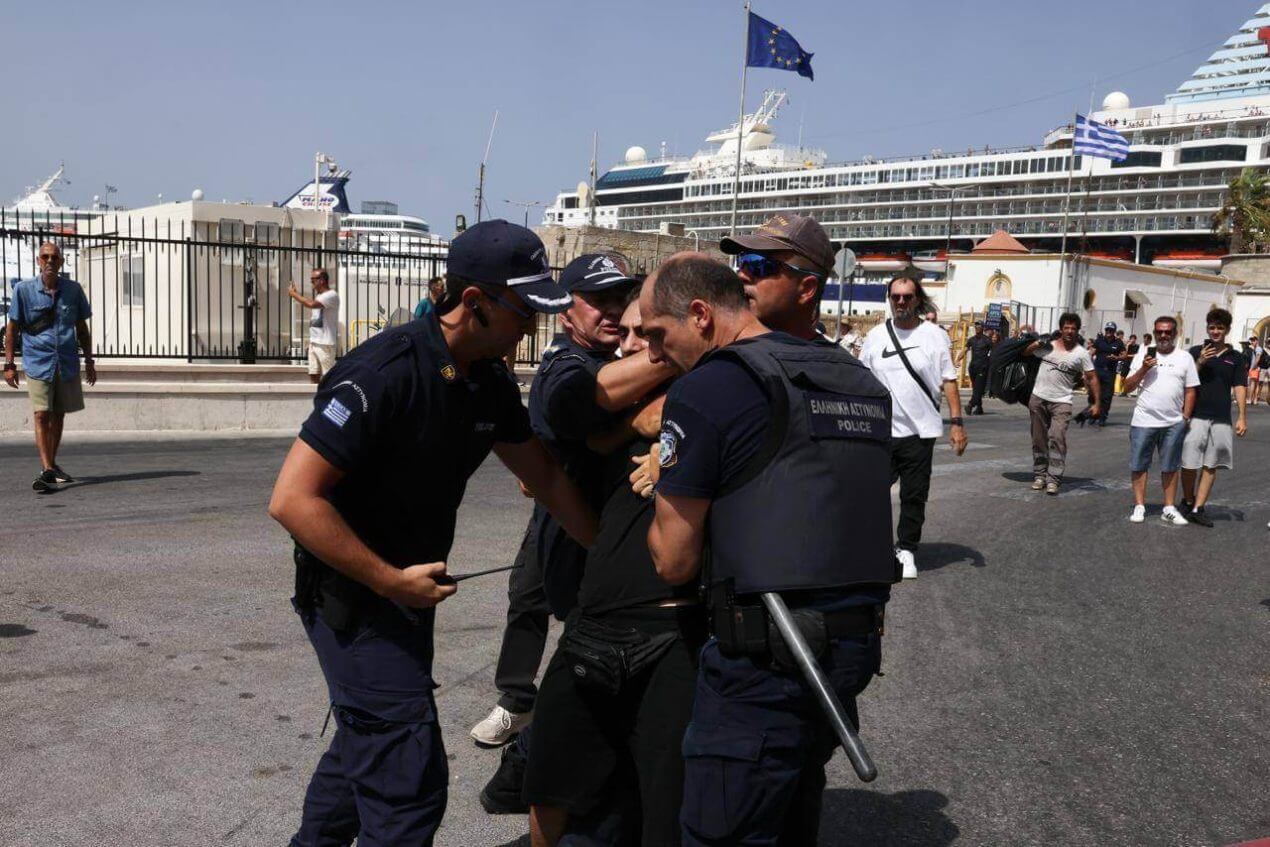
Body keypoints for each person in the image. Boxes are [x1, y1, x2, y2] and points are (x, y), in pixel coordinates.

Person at [268, 219, 599, 847]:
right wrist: (390, 580)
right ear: (473, 303)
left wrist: (606, 552)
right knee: (407, 788)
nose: (531, 326)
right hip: (356, 599)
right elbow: (292, 500)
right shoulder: (384, 372)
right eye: (523, 309)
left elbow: (547, 479)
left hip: (407, 596)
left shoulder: (487, 381)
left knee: (363, 753)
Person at [637, 255, 896, 846]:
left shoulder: (712, 386)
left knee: (723, 829)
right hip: (848, 648)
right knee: (790, 815)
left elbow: (672, 559)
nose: (653, 353)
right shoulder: (852, 375)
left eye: (658, 334)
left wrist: (664, 492)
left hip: (765, 657)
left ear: (700, 315)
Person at [523, 293, 700, 847]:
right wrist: (636, 427)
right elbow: (554, 456)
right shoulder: (595, 392)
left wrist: (673, 446)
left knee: (660, 792)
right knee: (551, 775)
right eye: (624, 333)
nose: (627, 345)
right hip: (596, 617)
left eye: (644, 334)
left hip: (676, 626)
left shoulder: (711, 396)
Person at [474, 253, 672, 749]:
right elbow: (573, 402)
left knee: (589, 626)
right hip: (564, 516)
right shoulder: (566, 361)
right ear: (566, 312)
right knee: (531, 600)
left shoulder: (628, 353)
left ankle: (557, 729)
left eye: (617, 298)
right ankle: (519, 704)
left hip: (624, 523)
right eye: (597, 300)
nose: (610, 311)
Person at [858, 274, 968, 578]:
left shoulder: (934, 335)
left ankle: (906, 548)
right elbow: (861, 380)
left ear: (917, 299)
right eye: (896, 297)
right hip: (881, 431)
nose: (901, 302)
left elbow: (949, 380)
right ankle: (871, 544)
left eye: (907, 296)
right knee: (870, 491)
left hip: (921, 432)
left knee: (914, 494)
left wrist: (957, 423)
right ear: (890, 299)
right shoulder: (876, 336)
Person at [4, 241, 97, 492]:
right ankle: (46, 469)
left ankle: (52, 465)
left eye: (54, 258)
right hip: (37, 361)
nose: (49, 261)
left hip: (66, 362)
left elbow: (82, 330)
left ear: (61, 262)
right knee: (41, 413)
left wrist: (89, 361)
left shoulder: (74, 291)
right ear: (38, 261)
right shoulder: (23, 291)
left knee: (58, 414)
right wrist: (9, 364)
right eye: (45, 257)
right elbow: (11, 330)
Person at [1122, 315, 1200, 525]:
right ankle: (1140, 506)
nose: (1163, 335)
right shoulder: (1143, 355)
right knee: (1139, 465)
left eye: (1168, 332)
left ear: (1175, 334)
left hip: (1173, 422)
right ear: (1155, 333)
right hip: (1143, 421)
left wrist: (1185, 417)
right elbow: (1126, 387)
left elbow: (1191, 389)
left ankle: (1168, 507)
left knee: (1170, 466)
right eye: (1160, 332)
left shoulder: (1185, 358)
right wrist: (1144, 368)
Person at [718, 211, 836, 344]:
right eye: (742, 260)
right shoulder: (724, 354)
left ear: (807, 289)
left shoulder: (837, 364)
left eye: (758, 264)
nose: (741, 275)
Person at [1179, 309, 1248, 527]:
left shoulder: (1236, 358)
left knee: (1211, 464)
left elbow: (1239, 386)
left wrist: (1242, 417)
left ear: (1227, 330)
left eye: (1220, 328)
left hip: (1221, 418)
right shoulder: (1196, 351)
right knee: (1188, 463)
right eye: (1212, 327)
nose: (1215, 331)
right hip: (1196, 415)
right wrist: (1200, 362)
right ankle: (1188, 501)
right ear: (1207, 328)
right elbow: (1185, 380)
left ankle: (1199, 508)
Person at [1024, 313, 1099, 495]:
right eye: (1066, 327)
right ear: (1061, 329)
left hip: (1062, 401)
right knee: (1038, 439)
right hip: (1038, 398)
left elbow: (1092, 378)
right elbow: (1025, 354)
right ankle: (1040, 475)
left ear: (1077, 331)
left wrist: (1096, 403)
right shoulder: (1048, 346)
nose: (1070, 331)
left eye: (1073, 328)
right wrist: (1033, 345)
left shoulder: (1081, 354)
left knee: (1057, 438)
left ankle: (1054, 479)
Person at [288, 268, 340, 384]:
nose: (311, 282)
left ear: (321, 280)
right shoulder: (320, 296)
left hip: (325, 344)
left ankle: (329, 399)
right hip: (314, 342)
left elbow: (311, 304)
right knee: (313, 373)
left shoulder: (331, 295)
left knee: (329, 377)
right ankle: (315, 397)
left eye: (313, 280)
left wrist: (294, 294)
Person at [1075, 321, 1124, 427]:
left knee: (1107, 396)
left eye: (1111, 330)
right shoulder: (1099, 341)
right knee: (1093, 394)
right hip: (1097, 371)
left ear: (1114, 332)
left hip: (1110, 373)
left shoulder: (1119, 343)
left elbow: (1124, 355)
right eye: (1107, 330)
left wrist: (1117, 358)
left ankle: (1103, 417)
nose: (1108, 332)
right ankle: (1093, 414)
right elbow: (1092, 352)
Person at [964, 320, 993, 415]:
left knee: (978, 388)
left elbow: (993, 353)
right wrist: (957, 360)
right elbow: (965, 350)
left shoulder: (987, 340)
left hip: (983, 367)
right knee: (976, 388)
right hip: (973, 367)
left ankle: (970, 405)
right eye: (976, 325)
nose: (977, 327)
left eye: (979, 325)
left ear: (982, 328)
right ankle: (979, 407)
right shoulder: (971, 340)